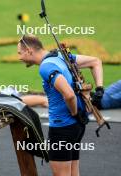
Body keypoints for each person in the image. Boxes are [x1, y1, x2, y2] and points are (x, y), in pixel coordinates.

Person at [17, 35, 104, 176]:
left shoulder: (46, 67)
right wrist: (100, 89)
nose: (19, 57)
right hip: (77, 126)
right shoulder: (60, 56)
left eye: (20, 53)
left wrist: (74, 112)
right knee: (73, 172)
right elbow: (96, 61)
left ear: (29, 50)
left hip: (62, 128)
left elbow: (69, 94)